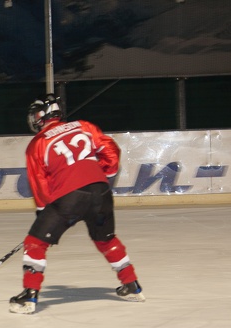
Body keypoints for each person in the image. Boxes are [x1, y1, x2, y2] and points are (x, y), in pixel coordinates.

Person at [9, 94, 145, 314]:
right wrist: (103, 173)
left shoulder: (38, 143)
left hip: (70, 197)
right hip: (101, 192)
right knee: (105, 239)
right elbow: (111, 152)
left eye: (35, 114)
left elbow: (40, 183)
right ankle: (132, 286)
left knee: (35, 243)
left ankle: (28, 297)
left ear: (42, 116)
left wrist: (43, 213)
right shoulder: (83, 126)